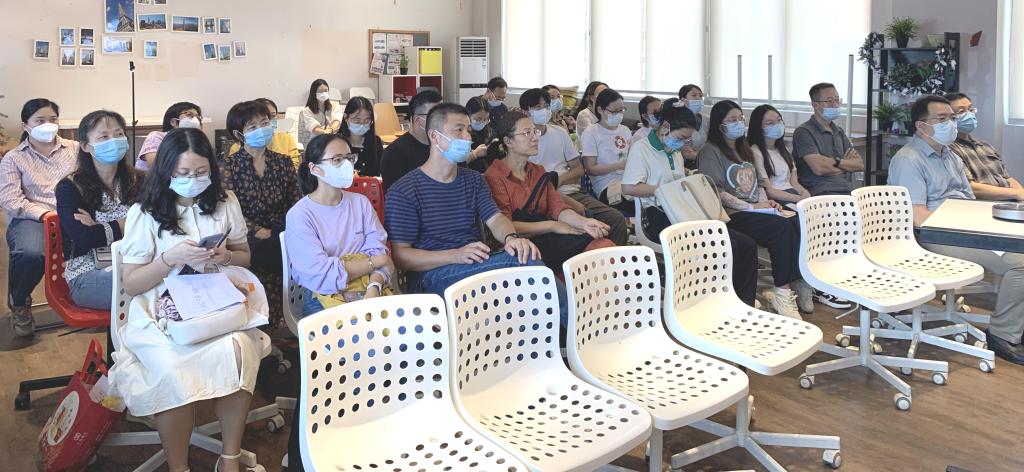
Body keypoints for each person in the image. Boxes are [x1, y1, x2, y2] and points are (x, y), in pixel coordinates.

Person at [110, 127, 266, 472]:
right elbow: (132, 283)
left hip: (215, 300)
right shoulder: (145, 212)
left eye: (200, 172)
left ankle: (230, 457)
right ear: (166, 171)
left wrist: (225, 256)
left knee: (239, 352)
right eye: (183, 173)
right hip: (160, 307)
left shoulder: (225, 202)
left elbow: (244, 256)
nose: (193, 180)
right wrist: (169, 259)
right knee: (173, 370)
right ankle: (178, 466)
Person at [282, 134, 396, 471]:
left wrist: (373, 284)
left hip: (371, 291)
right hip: (319, 299)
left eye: (349, 157)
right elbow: (320, 275)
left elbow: (383, 256)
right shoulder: (301, 215)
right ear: (315, 168)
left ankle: (382, 433)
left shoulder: (359, 204)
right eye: (336, 160)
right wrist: (370, 262)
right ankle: (329, 445)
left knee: (403, 343)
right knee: (357, 350)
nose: (347, 165)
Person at [888, 95, 1024, 365]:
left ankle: (1016, 323)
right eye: (942, 119)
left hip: (962, 226)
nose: (950, 123)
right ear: (921, 126)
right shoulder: (909, 160)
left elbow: (968, 199)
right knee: (1020, 263)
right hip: (933, 236)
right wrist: (964, 228)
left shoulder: (949, 155)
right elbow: (918, 217)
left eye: (951, 118)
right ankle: (1002, 334)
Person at [383, 103, 544, 300]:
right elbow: (401, 256)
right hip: (431, 276)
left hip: (475, 263)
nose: (468, 138)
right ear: (434, 136)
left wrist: (511, 238)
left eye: (468, 130)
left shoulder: (474, 179)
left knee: (525, 254)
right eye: (459, 130)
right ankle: (569, 316)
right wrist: (455, 255)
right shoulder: (403, 190)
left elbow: (495, 218)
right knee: (524, 263)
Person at [620, 104, 759, 307]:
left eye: (687, 139)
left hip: (682, 210)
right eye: (681, 137)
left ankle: (741, 301)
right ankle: (716, 301)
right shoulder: (642, 149)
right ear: (665, 127)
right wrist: (663, 190)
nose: (683, 143)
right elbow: (629, 187)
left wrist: (690, 176)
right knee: (725, 245)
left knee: (746, 244)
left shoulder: (673, 149)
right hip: (658, 214)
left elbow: (675, 175)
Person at [697, 100, 812, 318]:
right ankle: (782, 292)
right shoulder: (710, 152)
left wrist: (766, 203)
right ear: (720, 124)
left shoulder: (744, 149)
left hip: (753, 209)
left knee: (792, 221)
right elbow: (717, 192)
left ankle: (796, 284)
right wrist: (751, 206)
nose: (738, 123)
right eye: (732, 120)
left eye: (740, 118)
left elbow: (758, 185)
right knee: (780, 228)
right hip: (731, 213)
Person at [484, 109, 613, 271]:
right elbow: (504, 225)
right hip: (519, 245)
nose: (535, 138)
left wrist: (584, 222)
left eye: (535, 132)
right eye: (527, 133)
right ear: (508, 141)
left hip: (547, 238)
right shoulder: (495, 175)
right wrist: (552, 225)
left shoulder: (538, 171)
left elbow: (558, 207)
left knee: (602, 244)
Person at [0, 98, 78, 336]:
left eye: (52, 119)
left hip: (73, 213)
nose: (48, 125)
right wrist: (45, 214)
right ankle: (20, 302)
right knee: (31, 252)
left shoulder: (75, 149)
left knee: (105, 240)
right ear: (26, 126)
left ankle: (89, 294)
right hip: (32, 217)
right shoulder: (14, 158)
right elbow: (10, 200)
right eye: (40, 120)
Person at [220, 101, 300, 330]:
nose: (261, 130)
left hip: (281, 233)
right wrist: (256, 230)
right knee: (261, 256)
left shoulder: (283, 163)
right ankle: (260, 327)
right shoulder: (228, 166)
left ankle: (286, 323)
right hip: (246, 237)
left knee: (286, 251)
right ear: (239, 134)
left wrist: (279, 230)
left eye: (265, 123)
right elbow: (229, 208)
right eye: (252, 127)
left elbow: (295, 203)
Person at [55, 110, 142, 310]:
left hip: (136, 261)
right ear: (86, 146)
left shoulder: (139, 179)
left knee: (162, 278)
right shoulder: (70, 187)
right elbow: (85, 238)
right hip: (89, 273)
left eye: (119, 134)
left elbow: (154, 225)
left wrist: (100, 227)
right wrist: (130, 222)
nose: (114, 141)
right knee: (155, 284)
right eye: (104, 137)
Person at [519, 88, 628, 245]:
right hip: (542, 198)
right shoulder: (522, 140)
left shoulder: (559, 132)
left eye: (547, 106)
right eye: (538, 107)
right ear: (525, 111)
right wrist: (551, 187)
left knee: (615, 219)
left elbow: (579, 169)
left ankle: (615, 259)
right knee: (577, 232)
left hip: (572, 192)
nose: (544, 110)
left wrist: (558, 180)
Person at [944, 92, 1024, 201]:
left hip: (1009, 202)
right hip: (982, 205)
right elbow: (969, 187)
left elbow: (1007, 178)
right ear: (948, 118)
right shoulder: (948, 148)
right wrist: (1016, 194)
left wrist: (1021, 195)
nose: (969, 114)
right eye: (961, 111)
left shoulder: (985, 146)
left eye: (970, 109)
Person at [793, 82, 864, 196]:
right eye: (829, 101)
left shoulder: (839, 131)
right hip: (820, 192)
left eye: (837, 100)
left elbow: (859, 164)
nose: (835, 105)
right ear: (815, 105)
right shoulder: (804, 132)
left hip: (846, 189)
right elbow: (819, 169)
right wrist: (845, 167)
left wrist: (836, 161)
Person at [582, 88, 634, 216]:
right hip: (607, 186)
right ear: (600, 110)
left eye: (621, 110)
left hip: (630, 180)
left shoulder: (625, 130)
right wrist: (619, 165)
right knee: (639, 204)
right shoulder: (591, 132)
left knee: (655, 198)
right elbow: (591, 169)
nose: (619, 114)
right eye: (614, 111)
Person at [748, 104, 811, 204]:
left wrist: (804, 192)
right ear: (758, 128)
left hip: (792, 194)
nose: (776, 125)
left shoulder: (784, 149)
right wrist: (798, 199)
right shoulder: (755, 151)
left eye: (779, 120)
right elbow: (769, 191)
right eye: (770, 123)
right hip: (777, 198)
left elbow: (794, 182)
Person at [380, 90, 442, 191]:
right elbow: (397, 195)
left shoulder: (445, 146)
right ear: (417, 120)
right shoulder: (395, 153)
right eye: (435, 116)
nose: (441, 121)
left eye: (443, 115)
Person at [228, 98, 300, 169]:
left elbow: (295, 164)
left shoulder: (286, 139)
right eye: (253, 126)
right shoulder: (236, 148)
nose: (261, 129)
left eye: (273, 116)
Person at [136, 102, 202, 172]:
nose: (195, 119)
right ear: (173, 122)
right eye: (189, 115)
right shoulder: (156, 136)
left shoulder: (194, 142)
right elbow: (155, 164)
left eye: (197, 117)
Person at [338, 96, 384, 177]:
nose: (362, 125)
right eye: (357, 120)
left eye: (367, 121)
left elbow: (378, 171)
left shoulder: (376, 142)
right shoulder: (336, 143)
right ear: (346, 117)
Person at [298, 78, 342, 148]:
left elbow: (337, 121)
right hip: (317, 142)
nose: (323, 93)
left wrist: (330, 130)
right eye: (320, 91)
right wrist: (327, 132)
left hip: (334, 140)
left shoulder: (335, 105)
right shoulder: (307, 111)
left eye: (326, 91)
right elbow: (314, 128)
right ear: (314, 93)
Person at [465, 95, 496, 173]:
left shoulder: (490, 132)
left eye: (485, 119)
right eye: (478, 119)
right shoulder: (461, 135)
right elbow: (453, 164)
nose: (482, 122)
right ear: (468, 115)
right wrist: (474, 154)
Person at [678, 84, 709, 158]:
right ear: (683, 100)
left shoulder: (707, 119)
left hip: (706, 159)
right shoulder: (677, 121)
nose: (698, 98)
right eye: (694, 95)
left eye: (700, 96)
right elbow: (685, 153)